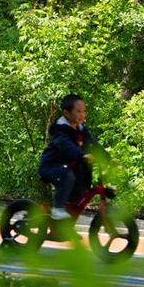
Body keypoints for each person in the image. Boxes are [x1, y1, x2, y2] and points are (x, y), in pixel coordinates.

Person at [38, 93, 96, 221]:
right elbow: (65, 145)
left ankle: (64, 226)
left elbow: (94, 145)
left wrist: (107, 159)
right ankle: (57, 208)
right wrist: (82, 155)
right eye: (78, 111)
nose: (82, 115)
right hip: (51, 166)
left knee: (80, 191)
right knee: (68, 176)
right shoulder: (60, 130)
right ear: (66, 113)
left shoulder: (82, 130)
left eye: (84, 111)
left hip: (69, 168)